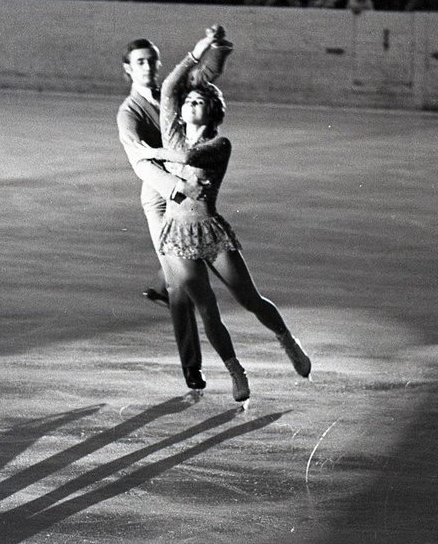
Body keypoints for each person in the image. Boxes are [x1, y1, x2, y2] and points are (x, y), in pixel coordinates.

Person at [131, 26, 312, 403]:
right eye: (188, 102)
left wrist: (150, 153)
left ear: (212, 110)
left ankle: (286, 340)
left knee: (249, 299)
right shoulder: (174, 131)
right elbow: (169, 90)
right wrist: (195, 52)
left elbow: (187, 159)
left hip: (209, 232)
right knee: (207, 309)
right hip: (177, 234)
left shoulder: (219, 144)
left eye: (199, 102)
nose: (189, 104)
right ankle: (235, 370)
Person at [116, 39, 211, 391]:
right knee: (182, 282)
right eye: (140, 62)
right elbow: (140, 161)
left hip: (186, 194)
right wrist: (175, 186)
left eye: (152, 61)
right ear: (127, 68)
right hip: (160, 197)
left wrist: (215, 52)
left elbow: (203, 82)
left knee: (187, 260)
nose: (148, 67)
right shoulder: (130, 112)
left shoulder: (172, 94)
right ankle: (192, 368)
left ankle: (160, 284)